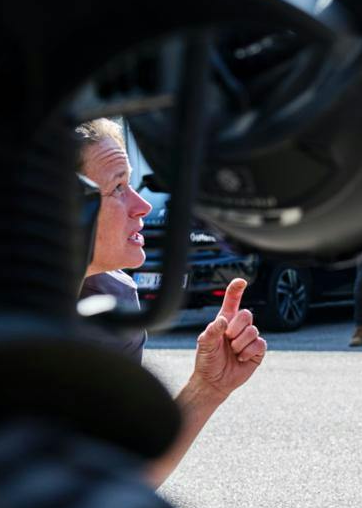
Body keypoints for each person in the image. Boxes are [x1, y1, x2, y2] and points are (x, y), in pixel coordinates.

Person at [75, 118, 267, 488]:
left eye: (131, 183)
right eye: (118, 187)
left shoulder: (116, 302)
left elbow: (123, 483)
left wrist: (207, 388)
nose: (143, 205)